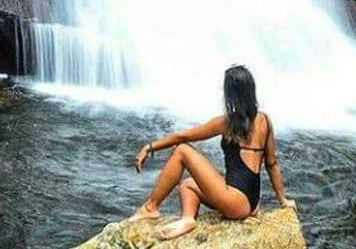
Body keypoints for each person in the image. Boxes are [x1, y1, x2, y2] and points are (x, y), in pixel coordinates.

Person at [127, 65, 297, 241]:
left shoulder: (227, 123)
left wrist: (150, 147)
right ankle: (187, 219)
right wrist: (283, 200)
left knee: (182, 150)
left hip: (235, 203)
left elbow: (182, 136)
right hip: (252, 203)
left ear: (230, 94)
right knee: (187, 185)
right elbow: (272, 164)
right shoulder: (265, 120)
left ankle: (150, 208)